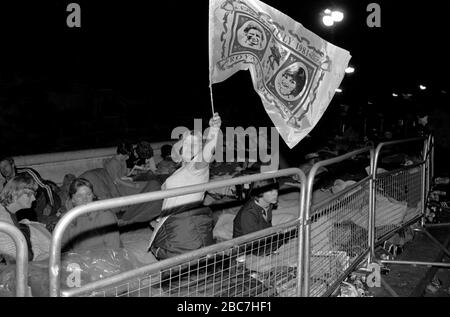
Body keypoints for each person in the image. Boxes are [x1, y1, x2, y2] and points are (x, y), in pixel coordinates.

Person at [148, 112, 222, 260]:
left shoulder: (198, 167)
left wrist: (214, 130)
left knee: (183, 264)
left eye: (195, 145)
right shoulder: (183, 168)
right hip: (173, 220)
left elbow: (207, 153)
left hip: (184, 224)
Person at [0, 173, 51, 262]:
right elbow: (16, 256)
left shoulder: (9, 213)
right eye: (29, 194)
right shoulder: (2, 218)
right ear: (15, 193)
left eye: (34, 194)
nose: (33, 199)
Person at [61, 178, 121, 253]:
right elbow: (61, 247)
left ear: (93, 195)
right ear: (72, 199)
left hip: (103, 259)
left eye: (88, 194)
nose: (85, 199)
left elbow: (114, 248)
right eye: (79, 196)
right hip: (78, 260)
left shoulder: (105, 215)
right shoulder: (67, 218)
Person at [0, 156, 61, 223]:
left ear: (12, 164)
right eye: (1, 168)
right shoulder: (6, 185)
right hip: (29, 210)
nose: (3, 170)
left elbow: (46, 187)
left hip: (44, 199)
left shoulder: (27, 172)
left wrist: (49, 204)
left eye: (5, 166)